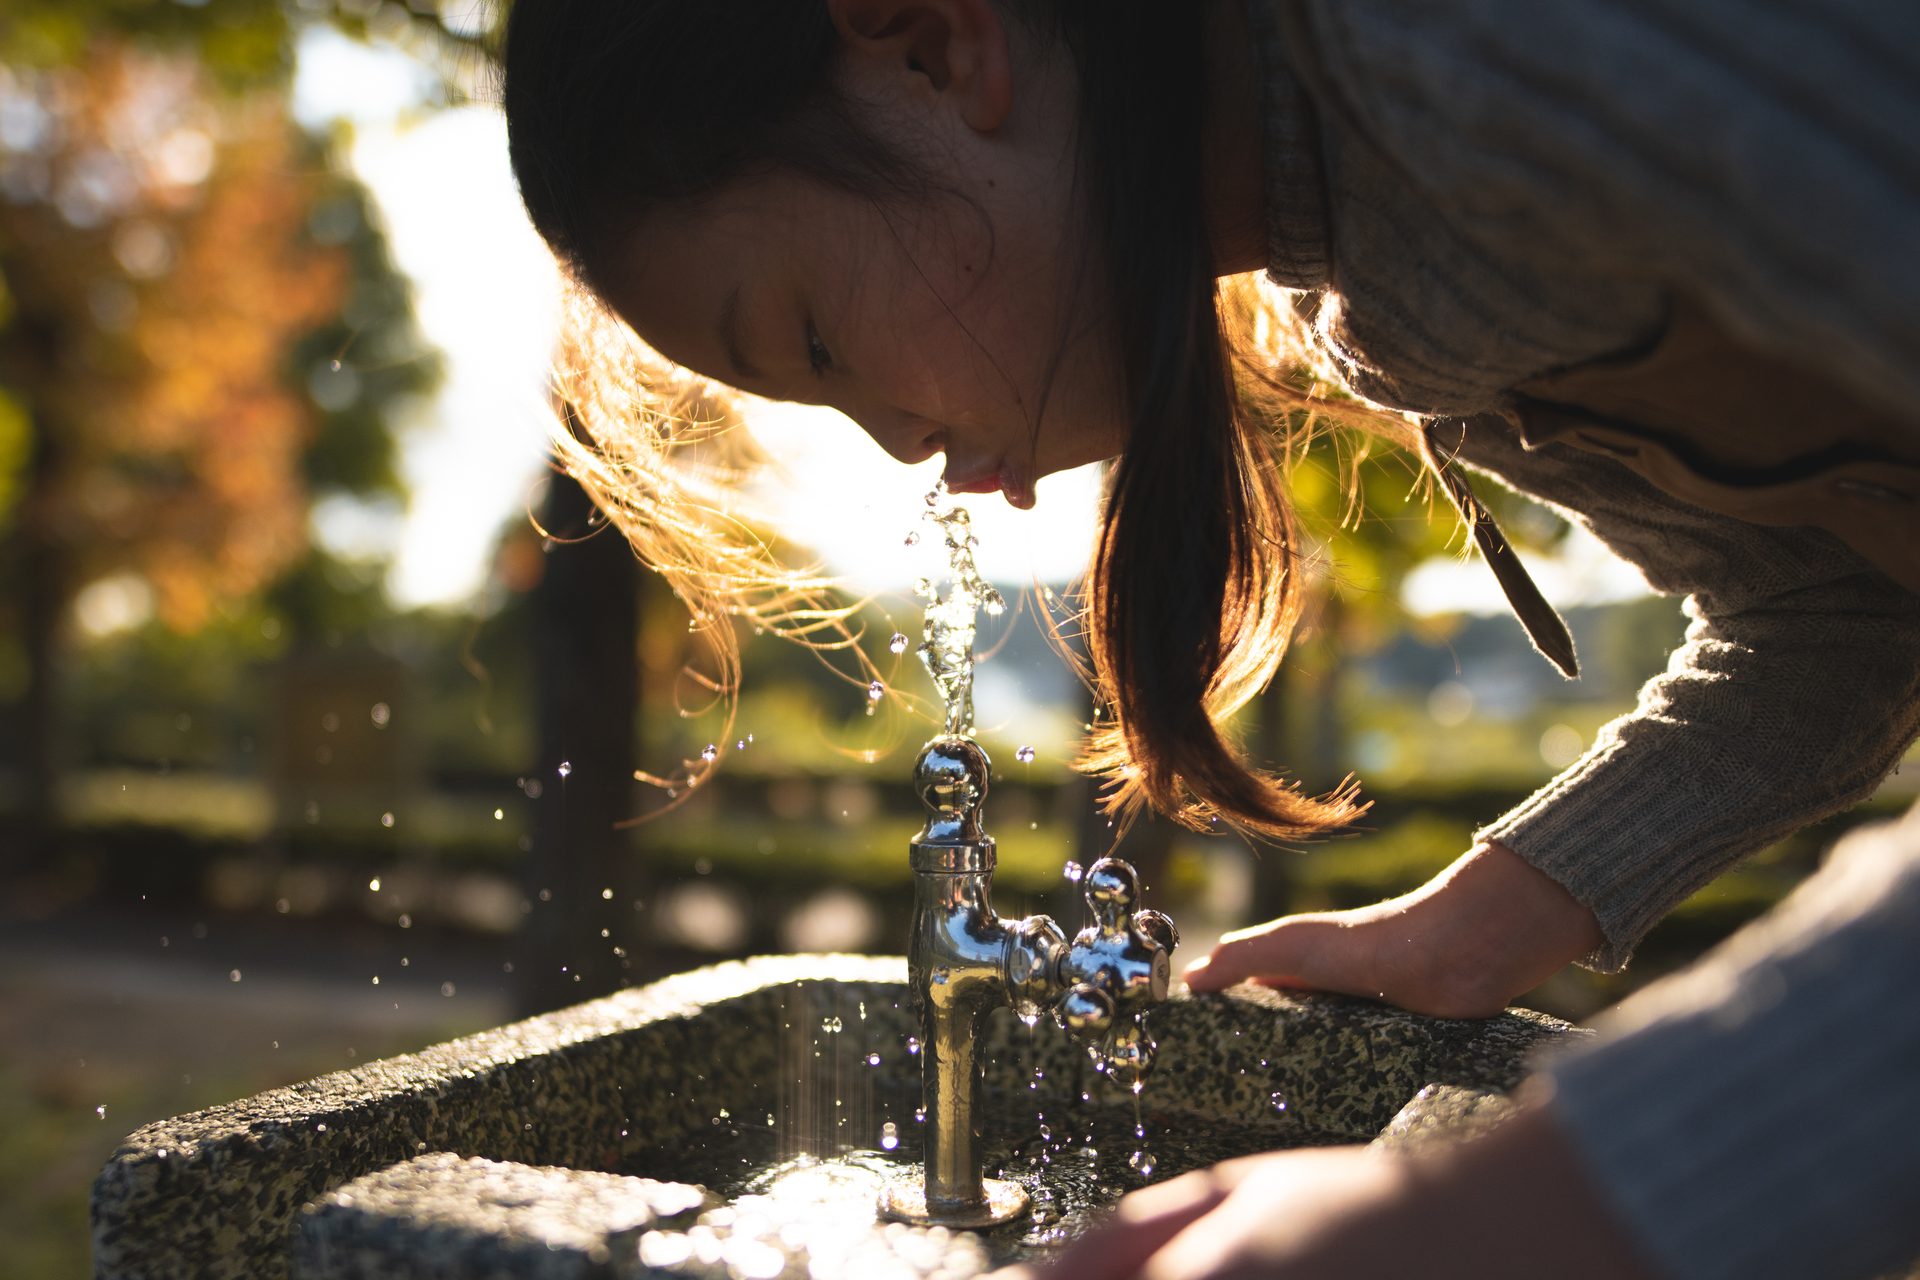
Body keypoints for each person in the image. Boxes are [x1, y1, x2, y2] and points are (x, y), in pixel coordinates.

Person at [500, 2, 1920, 1276]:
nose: (896, 441)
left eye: (812, 343)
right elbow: (1837, 610)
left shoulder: (1470, 56)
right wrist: (1479, 930)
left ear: (938, 46)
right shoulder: (1372, 259)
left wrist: (1545, 1209)